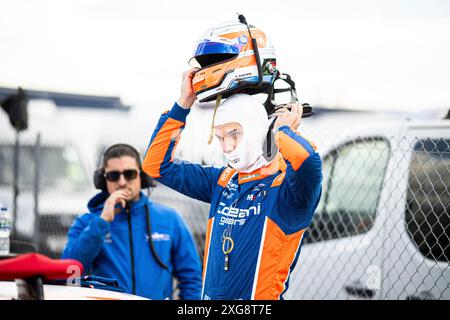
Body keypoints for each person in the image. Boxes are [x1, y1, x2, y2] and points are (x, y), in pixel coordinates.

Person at [142, 69, 323, 300]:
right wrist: (184, 103)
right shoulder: (222, 180)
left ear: (258, 130)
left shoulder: (287, 190)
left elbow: (309, 163)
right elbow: (155, 165)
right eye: (220, 137)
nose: (226, 146)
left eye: (234, 134)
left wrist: (281, 130)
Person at [61, 143, 202, 300]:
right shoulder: (87, 223)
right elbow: (68, 272)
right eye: (114, 175)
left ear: (142, 177)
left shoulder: (170, 219)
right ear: (103, 180)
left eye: (129, 174)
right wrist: (101, 222)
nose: (122, 182)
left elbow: (192, 279)